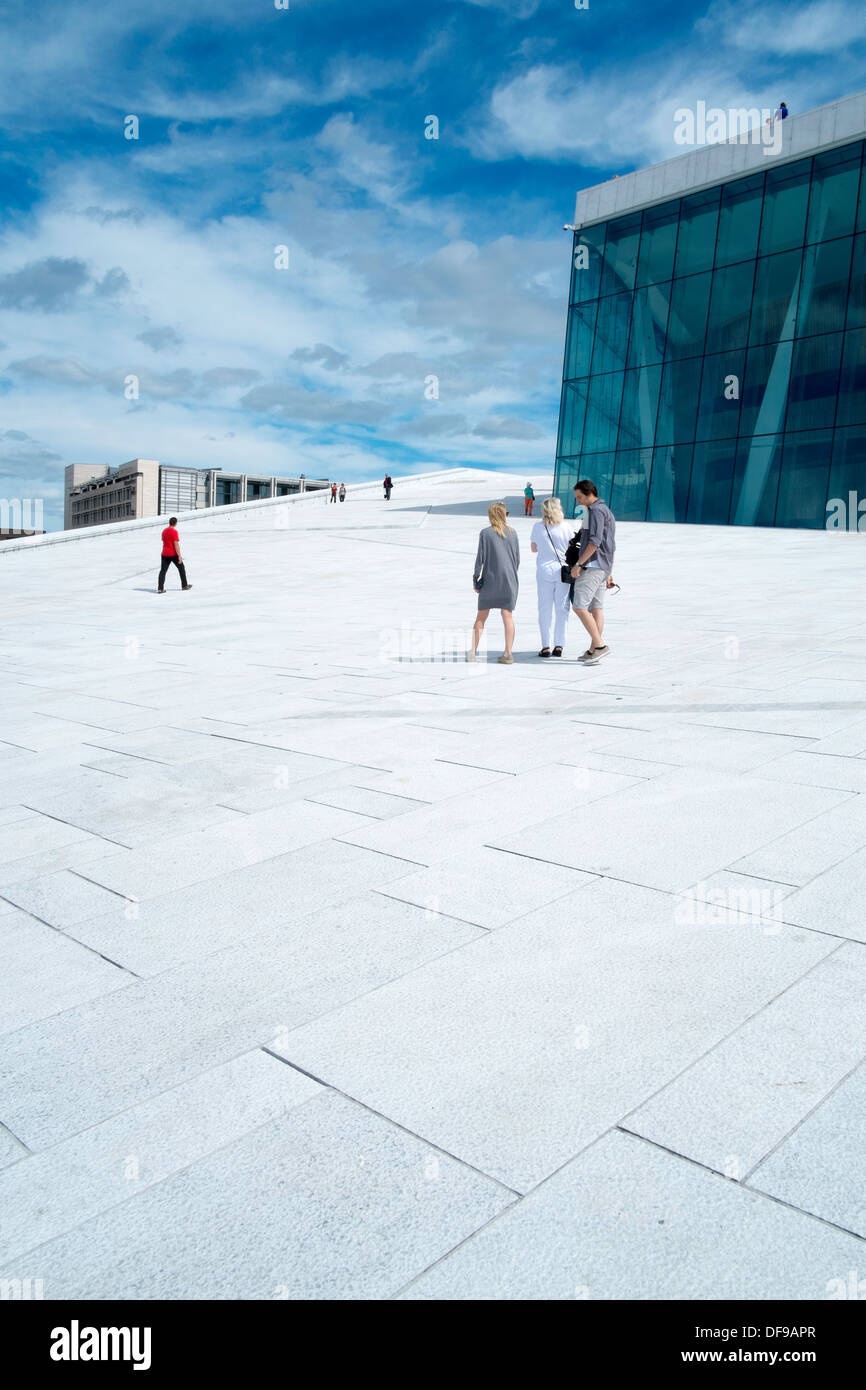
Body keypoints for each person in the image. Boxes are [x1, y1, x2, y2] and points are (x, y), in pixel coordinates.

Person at [569, 480, 615, 664]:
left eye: (579, 497)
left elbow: (594, 541)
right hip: (603, 565)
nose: (578, 501)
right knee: (596, 608)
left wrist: (578, 564)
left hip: (593, 565)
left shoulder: (595, 511)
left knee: (579, 606)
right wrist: (610, 569)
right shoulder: (606, 510)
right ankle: (593, 649)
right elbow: (611, 544)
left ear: (589, 494)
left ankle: (600, 645)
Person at [468, 501, 519, 665]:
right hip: (509, 580)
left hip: (490, 579)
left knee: (481, 616)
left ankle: (473, 652)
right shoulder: (513, 533)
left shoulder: (485, 533)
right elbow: (517, 559)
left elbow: (479, 560)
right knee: (507, 615)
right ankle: (508, 653)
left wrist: (476, 579)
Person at [530, 497, 572, 657]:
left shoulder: (537, 527)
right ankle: (559, 645)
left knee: (544, 608)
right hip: (562, 571)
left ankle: (545, 645)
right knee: (562, 608)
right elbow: (572, 547)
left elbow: (534, 548)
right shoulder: (566, 527)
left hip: (544, 570)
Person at [158, 517, 192, 594]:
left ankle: (160, 588)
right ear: (175, 523)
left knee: (163, 571)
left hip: (164, 554)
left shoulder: (164, 531)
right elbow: (176, 544)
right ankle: (184, 586)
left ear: (169, 522)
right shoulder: (174, 532)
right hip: (173, 554)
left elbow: (163, 541)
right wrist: (179, 556)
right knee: (181, 568)